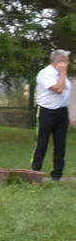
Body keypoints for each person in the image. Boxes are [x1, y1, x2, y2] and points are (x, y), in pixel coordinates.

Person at [32, 49, 70, 181]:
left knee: (60, 144)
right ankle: (35, 171)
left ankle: (57, 174)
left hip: (62, 111)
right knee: (42, 142)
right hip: (46, 111)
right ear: (59, 61)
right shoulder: (45, 73)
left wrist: (63, 74)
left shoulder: (62, 74)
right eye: (66, 61)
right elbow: (59, 89)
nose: (68, 63)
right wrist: (63, 73)